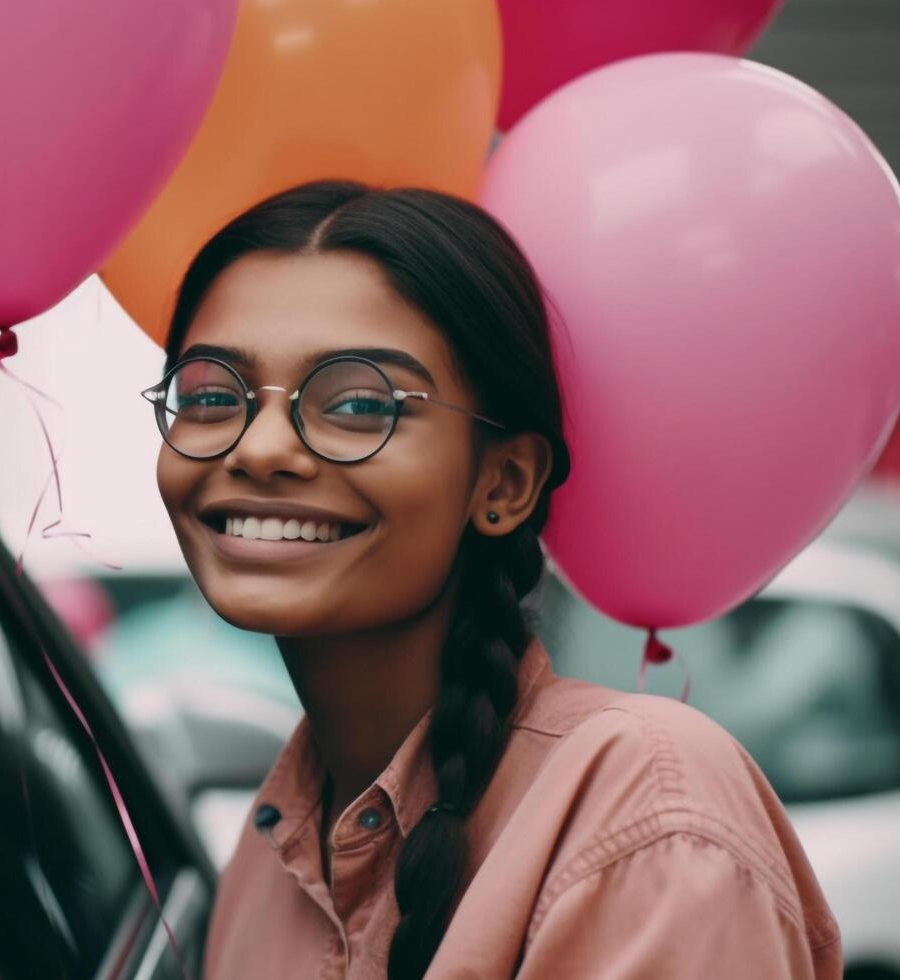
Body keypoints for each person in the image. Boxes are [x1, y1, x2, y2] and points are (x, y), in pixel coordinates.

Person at [145, 182, 842, 979]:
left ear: (504, 484)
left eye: (359, 405)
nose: (259, 447)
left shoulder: (644, 803)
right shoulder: (271, 847)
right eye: (209, 395)